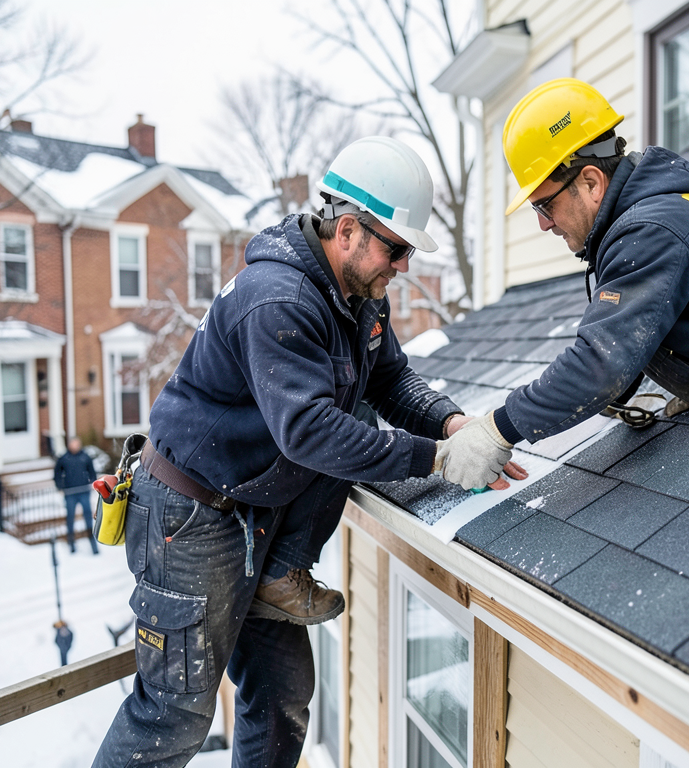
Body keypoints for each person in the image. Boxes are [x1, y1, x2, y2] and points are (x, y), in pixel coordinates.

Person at [92, 136, 520, 768]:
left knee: (283, 699)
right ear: (347, 230)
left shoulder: (356, 299)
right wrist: (434, 459)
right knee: (173, 718)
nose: (401, 266)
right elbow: (311, 433)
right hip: (191, 516)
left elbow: (391, 380)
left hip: (256, 513)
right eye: (396, 248)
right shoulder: (279, 299)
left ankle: (276, 576)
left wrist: (455, 426)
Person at [443, 78, 689, 465]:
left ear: (591, 182)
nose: (545, 225)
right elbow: (631, 333)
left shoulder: (649, 231)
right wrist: (630, 393)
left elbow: (599, 361)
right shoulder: (643, 220)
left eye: (545, 206)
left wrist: (499, 429)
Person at [53, 437, 98, 554]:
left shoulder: (85, 457)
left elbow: (92, 472)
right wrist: (60, 487)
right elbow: (57, 474)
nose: (75, 446)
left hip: (83, 492)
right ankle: (71, 543)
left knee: (88, 517)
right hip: (70, 493)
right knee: (70, 518)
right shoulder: (64, 459)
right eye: (73, 444)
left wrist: (92, 483)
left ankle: (93, 544)